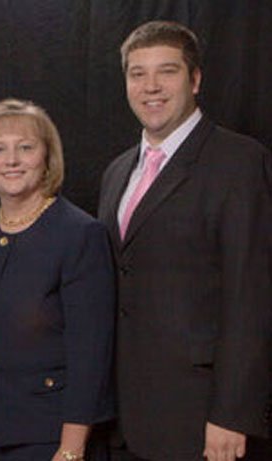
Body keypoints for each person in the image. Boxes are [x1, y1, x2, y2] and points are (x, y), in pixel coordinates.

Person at [98, 20, 272, 461]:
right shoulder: (117, 171)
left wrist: (234, 413)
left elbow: (251, 297)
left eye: (167, 71)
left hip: (204, 418)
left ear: (195, 80)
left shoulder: (240, 163)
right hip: (126, 416)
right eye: (138, 73)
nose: (150, 86)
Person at [0, 98, 115, 461]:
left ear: (47, 158)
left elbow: (91, 353)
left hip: (49, 438)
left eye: (25, 148)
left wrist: (71, 448)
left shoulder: (80, 234)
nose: (11, 160)